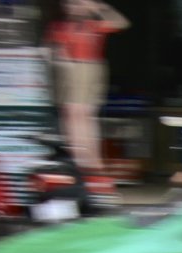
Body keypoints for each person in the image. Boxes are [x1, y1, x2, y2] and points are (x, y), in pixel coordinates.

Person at [44, 0, 129, 173]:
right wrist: (57, 58)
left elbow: (122, 23)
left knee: (84, 114)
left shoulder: (93, 25)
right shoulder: (59, 27)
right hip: (71, 69)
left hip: (89, 67)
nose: (74, 8)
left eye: (78, 4)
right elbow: (48, 50)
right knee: (73, 114)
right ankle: (80, 157)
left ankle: (89, 158)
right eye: (71, 4)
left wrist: (100, 7)